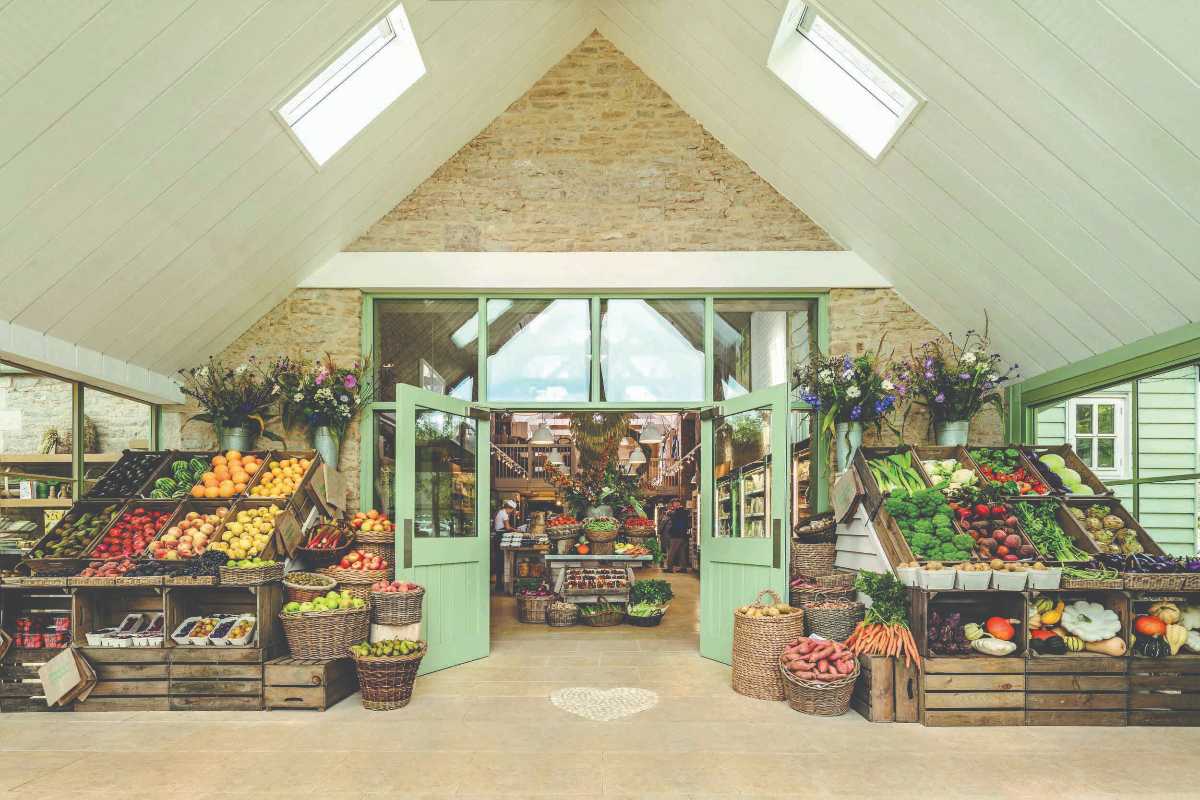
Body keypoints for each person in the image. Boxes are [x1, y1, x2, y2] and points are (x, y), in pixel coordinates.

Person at [493, 500, 518, 586]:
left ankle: (499, 582)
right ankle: (499, 583)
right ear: (509, 508)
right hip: (500, 537)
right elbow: (507, 527)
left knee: (499, 560)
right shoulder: (504, 514)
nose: (512, 512)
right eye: (512, 510)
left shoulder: (500, 512)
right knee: (501, 559)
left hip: (498, 536)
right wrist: (516, 530)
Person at [664, 497, 691, 574]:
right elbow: (683, 523)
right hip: (683, 535)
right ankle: (683, 567)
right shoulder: (684, 512)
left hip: (677, 536)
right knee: (682, 552)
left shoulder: (678, 512)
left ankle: (669, 567)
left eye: (673, 504)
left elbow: (675, 523)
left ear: (677, 503)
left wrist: (673, 529)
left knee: (672, 552)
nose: (672, 506)